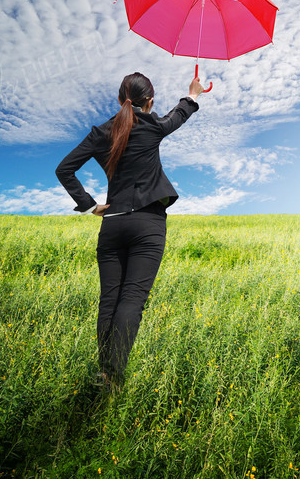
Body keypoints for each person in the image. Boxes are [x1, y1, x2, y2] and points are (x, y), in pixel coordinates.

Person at [56, 72, 207, 391]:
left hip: (112, 224)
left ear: (119, 100)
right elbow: (178, 116)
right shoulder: (152, 125)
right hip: (148, 225)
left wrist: (90, 205)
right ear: (149, 101)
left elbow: (64, 169)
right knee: (132, 300)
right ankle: (113, 376)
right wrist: (192, 94)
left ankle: (105, 375)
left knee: (110, 299)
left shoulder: (101, 132)